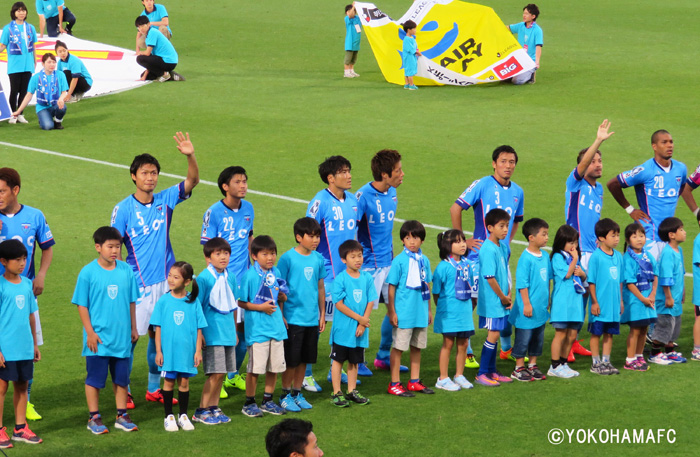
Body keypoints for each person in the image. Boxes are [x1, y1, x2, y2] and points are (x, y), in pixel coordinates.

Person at [110, 132, 199, 408]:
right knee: (131, 340)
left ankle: (152, 388)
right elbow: (113, 246)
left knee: (157, 334)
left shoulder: (165, 200)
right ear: (133, 176)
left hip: (168, 283)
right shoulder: (123, 209)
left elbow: (192, 181)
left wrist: (189, 156)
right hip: (140, 285)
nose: (151, 177)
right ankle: (124, 390)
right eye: (145, 173)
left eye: (154, 173)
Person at [450, 145, 524, 364]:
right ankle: (467, 350)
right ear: (494, 163)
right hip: (477, 258)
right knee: (471, 302)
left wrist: (506, 244)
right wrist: (463, 240)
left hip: (502, 258)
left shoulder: (518, 191)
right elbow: (456, 208)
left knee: (507, 300)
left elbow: (516, 221)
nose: (507, 166)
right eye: (503, 161)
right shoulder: (482, 185)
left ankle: (507, 348)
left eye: (511, 162)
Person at [72, 227, 139, 435]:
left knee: (122, 378)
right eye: (110, 247)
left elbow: (131, 300)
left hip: (121, 337)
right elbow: (81, 305)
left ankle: (121, 415)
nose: (114, 251)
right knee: (95, 379)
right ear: (98, 247)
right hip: (98, 338)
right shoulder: (88, 272)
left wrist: (134, 327)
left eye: (118, 247)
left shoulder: (126, 270)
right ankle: (94, 417)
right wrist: (90, 333)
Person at [0, 168, 54, 421]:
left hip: (23, 295)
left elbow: (47, 248)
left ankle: (27, 404)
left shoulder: (35, 216)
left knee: (26, 349)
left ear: (15, 190)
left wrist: (41, 274)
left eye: (1, 191)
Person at [305, 155, 361, 391]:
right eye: (343, 172)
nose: (348, 176)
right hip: (327, 275)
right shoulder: (320, 202)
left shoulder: (353, 201)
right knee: (319, 325)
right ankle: (306, 374)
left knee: (345, 323)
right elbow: (307, 234)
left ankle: (334, 369)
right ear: (331, 177)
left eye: (349, 171)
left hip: (348, 276)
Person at [564, 120, 614, 362]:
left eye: (600, 160)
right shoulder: (575, 184)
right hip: (575, 250)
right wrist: (598, 141)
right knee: (574, 297)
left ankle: (575, 341)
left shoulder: (600, 189)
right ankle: (565, 346)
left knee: (586, 297)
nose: (597, 163)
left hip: (593, 251)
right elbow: (582, 166)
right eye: (593, 160)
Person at [200, 166, 253, 398]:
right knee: (222, 332)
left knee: (242, 334)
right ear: (225, 186)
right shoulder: (214, 212)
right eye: (238, 182)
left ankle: (232, 375)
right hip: (223, 282)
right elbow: (208, 248)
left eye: (245, 181)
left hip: (244, 280)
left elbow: (250, 239)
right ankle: (218, 379)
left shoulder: (249, 208)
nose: (243, 186)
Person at [356, 149, 405, 375]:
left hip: (390, 262)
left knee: (395, 308)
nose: (402, 174)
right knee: (361, 314)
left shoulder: (393, 191)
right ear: (384, 174)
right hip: (368, 266)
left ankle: (383, 355)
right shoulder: (362, 197)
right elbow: (352, 232)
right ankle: (355, 361)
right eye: (397, 171)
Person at [607, 130, 687, 260]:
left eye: (671, 142)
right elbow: (613, 184)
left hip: (669, 236)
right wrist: (630, 209)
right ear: (654, 146)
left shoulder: (681, 169)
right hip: (647, 236)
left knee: (665, 278)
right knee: (645, 278)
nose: (670, 145)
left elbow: (683, 184)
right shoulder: (645, 170)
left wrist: (672, 199)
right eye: (664, 142)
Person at [277, 218, 326, 412]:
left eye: (317, 236)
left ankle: (297, 393)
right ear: (299, 237)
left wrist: (322, 315)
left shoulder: (318, 259)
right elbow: (279, 289)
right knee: (291, 360)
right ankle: (285, 394)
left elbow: (320, 288)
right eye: (311, 236)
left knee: (305, 359)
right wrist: (281, 315)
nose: (315, 240)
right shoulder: (287, 259)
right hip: (293, 319)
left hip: (311, 318)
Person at [237, 235, 289, 417]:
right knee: (255, 369)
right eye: (265, 254)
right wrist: (260, 307)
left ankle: (267, 400)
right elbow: (242, 302)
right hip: (258, 331)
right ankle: (249, 402)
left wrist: (282, 304)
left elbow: (280, 295)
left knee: (274, 367)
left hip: (276, 329)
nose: (270, 258)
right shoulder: (249, 276)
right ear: (254, 256)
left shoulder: (276, 273)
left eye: (273, 253)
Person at [151, 262, 206, 432]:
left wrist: (197, 351)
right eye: (170, 276)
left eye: (176, 277)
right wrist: (159, 351)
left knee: (184, 383)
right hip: (169, 352)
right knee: (168, 382)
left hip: (187, 352)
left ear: (187, 281)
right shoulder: (163, 301)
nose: (171, 280)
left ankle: (183, 415)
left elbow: (199, 329)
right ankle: (169, 416)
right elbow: (157, 328)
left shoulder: (193, 302)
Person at [0, 240, 42, 447]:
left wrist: (34, 344)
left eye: (24, 259)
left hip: (24, 346)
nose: (22, 263)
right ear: (3, 261)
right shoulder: (0, 286)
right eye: (17, 260)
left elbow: (31, 316)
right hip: (5, 349)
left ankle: (20, 428)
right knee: (1, 388)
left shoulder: (27, 284)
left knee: (22, 387)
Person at [192, 238, 237, 425]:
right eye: (218, 254)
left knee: (223, 372)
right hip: (212, 333)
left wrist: (234, 331)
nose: (223, 257)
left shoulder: (231, 277)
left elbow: (233, 305)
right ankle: (201, 410)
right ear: (208, 257)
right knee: (215, 373)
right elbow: (197, 308)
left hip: (227, 332)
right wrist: (200, 334)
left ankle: (214, 407)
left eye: (225, 253)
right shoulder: (203, 279)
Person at [386, 220, 434, 396]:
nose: (412, 242)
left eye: (415, 238)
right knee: (398, 347)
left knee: (417, 347)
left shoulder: (425, 260)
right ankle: (394, 383)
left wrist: (429, 310)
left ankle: (414, 381)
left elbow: (427, 285)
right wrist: (392, 311)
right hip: (404, 314)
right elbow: (391, 287)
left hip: (420, 312)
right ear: (402, 240)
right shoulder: (399, 261)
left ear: (422, 240)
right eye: (407, 238)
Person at [328, 240, 376, 407]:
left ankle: (351, 390)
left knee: (354, 361)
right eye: (353, 256)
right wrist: (360, 319)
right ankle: (336, 392)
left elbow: (371, 301)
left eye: (360, 256)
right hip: (343, 330)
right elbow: (339, 304)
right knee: (338, 360)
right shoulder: (340, 279)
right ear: (343, 259)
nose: (358, 259)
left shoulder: (367, 278)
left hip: (360, 329)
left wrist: (363, 323)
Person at [473, 209, 513, 387]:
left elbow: (505, 272)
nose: (505, 230)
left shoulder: (503, 247)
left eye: (506, 226)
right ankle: (482, 373)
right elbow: (490, 277)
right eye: (501, 226)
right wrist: (503, 297)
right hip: (492, 301)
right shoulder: (487, 249)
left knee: (495, 335)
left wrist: (509, 292)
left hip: (502, 299)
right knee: (493, 334)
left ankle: (492, 371)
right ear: (490, 227)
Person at [432, 230, 476, 391]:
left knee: (463, 344)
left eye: (463, 240)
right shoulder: (443, 267)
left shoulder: (467, 264)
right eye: (457, 241)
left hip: (464, 312)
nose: (463, 244)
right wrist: (443, 308)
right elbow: (436, 291)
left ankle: (459, 375)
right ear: (447, 245)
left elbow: (470, 286)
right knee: (448, 343)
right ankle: (442, 378)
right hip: (449, 312)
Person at [509, 218, 551, 382]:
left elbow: (547, 279)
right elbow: (522, 284)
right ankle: (519, 367)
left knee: (537, 338)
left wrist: (547, 299)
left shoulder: (545, 256)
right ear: (531, 237)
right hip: (527, 308)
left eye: (547, 234)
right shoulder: (525, 258)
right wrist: (526, 303)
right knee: (524, 337)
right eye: (543, 234)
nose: (547, 237)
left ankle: (532, 365)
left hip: (540, 307)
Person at [548, 225, 586, 378]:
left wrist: (583, 274)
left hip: (575, 301)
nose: (573, 246)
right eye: (570, 242)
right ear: (561, 241)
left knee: (571, 335)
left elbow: (582, 277)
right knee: (561, 334)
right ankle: (554, 365)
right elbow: (568, 275)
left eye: (575, 242)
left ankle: (563, 363)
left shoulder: (573, 258)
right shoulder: (557, 257)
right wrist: (576, 259)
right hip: (562, 301)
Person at [587, 218, 623, 375]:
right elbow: (591, 282)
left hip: (613, 305)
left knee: (610, 333)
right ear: (601, 238)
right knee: (597, 333)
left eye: (617, 235)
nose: (617, 239)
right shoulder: (596, 257)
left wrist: (621, 300)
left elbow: (620, 280)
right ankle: (596, 363)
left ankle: (606, 361)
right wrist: (594, 302)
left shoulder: (619, 256)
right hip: (600, 304)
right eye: (613, 235)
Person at [649, 217, 687, 364]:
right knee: (664, 325)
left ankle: (669, 351)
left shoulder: (680, 250)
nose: (684, 232)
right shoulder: (667, 253)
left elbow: (681, 273)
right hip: (667, 299)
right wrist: (668, 296)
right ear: (671, 235)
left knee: (674, 325)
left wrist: (682, 292)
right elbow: (665, 277)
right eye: (681, 230)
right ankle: (655, 353)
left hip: (676, 298)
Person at [621, 223, 658, 371]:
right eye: (634, 236)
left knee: (644, 329)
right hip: (636, 300)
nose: (639, 239)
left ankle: (639, 356)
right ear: (628, 240)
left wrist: (653, 294)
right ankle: (630, 360)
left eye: (641, 235)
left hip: (648, 298)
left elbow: (655, 275)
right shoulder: (627, 258)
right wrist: (643, 299)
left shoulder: (648, 255)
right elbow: (629, 283)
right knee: (635, 329)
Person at [0, 2, 36, 125]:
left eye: (23, 10)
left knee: (24, 91)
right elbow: (3, 45)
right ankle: (13, 113)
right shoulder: (8, 28)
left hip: (28, 64)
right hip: (15, 65)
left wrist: (34, 61)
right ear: (14, 13)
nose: (21, 13)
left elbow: (33, 47)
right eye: (19, 10)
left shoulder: (30, 28)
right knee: (14, 90)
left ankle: (20, 113)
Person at [12, 53, 68, 130]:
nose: (52, 64)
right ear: (43, 64)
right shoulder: (36, 77)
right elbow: (29, 95)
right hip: (42, 107)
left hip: (55, 104)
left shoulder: (60, 75)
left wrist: (61, 99)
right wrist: (18, 111)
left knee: (63, 107)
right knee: (48, 127)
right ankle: (43, 119)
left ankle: (57, 122)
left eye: (53, 62)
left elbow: (64, 92)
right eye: (49, 62)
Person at [134, 15, 183, 82]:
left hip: (168, 61)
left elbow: (147, 53)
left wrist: (140, 53)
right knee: (148, 76)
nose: (141, 29)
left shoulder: (152, 32)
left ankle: (165, 74)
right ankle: (170, 75)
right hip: (165, 60)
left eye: (142, 26)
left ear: (148, 24)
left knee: (140, 59)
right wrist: (144, 77)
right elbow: (150, 59)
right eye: (139, 27)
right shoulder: (148, 35)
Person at [507, 4, 542, 84]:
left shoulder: (537, 30)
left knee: (517, 81)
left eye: (526, 14)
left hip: (530, 62)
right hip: (519, 60)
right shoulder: (520, 26)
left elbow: (538, 47)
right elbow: (507, 28)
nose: (524, 15)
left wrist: (536, 62)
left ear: (533, 16)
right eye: (524, 13)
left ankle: (531, 75)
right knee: (502, 77)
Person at [401, 20, 420, 90]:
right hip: (409, 57)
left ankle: (407, 84)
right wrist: (416, 52)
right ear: (409, 30)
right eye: (414, 29)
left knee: (407, 70)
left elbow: (415, 47)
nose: (415, 30)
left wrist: (416, 50)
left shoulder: (411, 38)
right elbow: (410, 48)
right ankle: (411, 85)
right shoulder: (406, 39)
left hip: (411, 56)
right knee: (410, 71)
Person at [343, 3, 361, 78]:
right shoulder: (347, 19)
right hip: (350, 43)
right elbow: (350, 15)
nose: (353, 12)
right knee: (348, 58)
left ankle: (351, 70)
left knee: (354, 58)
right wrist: (353, 6)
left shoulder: (357, 18)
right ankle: (346, 72)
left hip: (356, 42)